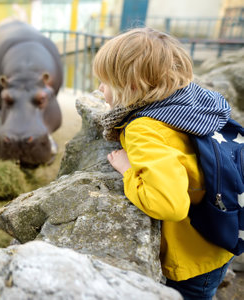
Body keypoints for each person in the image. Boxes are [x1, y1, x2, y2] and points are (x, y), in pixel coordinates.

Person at [92, 27, 234, 299]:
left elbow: (169, 205)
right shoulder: (190, 101)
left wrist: (128, 171)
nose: (99, 89)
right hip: (220, 233)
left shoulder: (145, 128)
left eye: (105, 82)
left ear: (132, 87)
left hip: (192, 258)